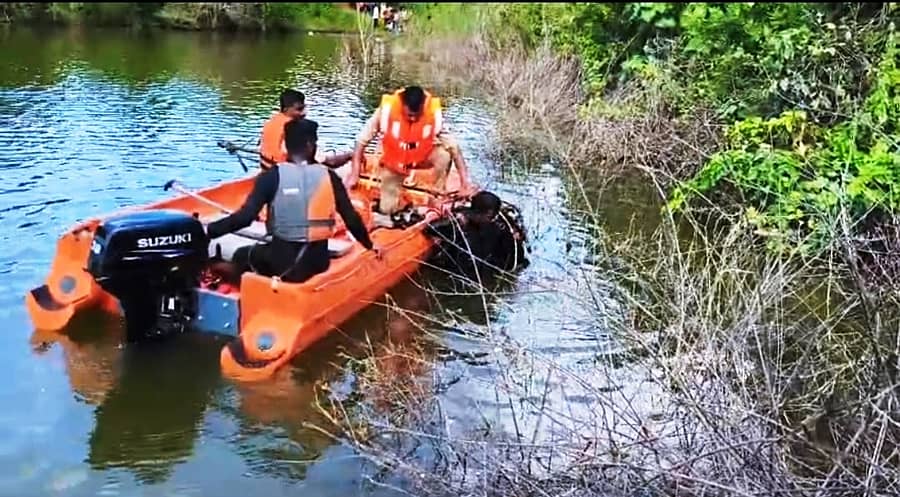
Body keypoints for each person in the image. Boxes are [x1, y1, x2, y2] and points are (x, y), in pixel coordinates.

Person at [207, 118, 382, 283]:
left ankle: (221, 271)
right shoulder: (330, 177)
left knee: (241, 254)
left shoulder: (271, 176)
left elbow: (244, 218)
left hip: (280, 262)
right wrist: (369, 245)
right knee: (269, 253)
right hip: (318, 262)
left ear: (285, 146)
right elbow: (351, 218)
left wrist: (210, 231)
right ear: (310, 145)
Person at [346, 85, 476, 216]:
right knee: (387, 210)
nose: (413, 119)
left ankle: (436, 196)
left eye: (417, 115)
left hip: (421, 158)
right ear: (403, 105)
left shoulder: (433, 114)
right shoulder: (386, 112)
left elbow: (454, 148)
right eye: (410, 115)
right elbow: (361, 141)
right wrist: (354, 174)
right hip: (394, 163)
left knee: (444, 155)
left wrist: (465, 182)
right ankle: (399, 207)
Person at [425, 191, 529, 274]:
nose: (493, 219)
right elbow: (431, 228)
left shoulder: (501, 226)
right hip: (462, 268)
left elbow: (517, 259)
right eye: (490, 216)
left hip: (485, 268)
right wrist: (454, 220)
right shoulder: (460, 220)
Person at [258, 88, 353, 172]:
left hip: (268, 170)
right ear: (286, 109)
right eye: (299, 109)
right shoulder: (295, 130)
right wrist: (350, 155)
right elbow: (330, 162)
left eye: (304, 108)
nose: (304, 113)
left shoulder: (270, 123)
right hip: (287, 177)